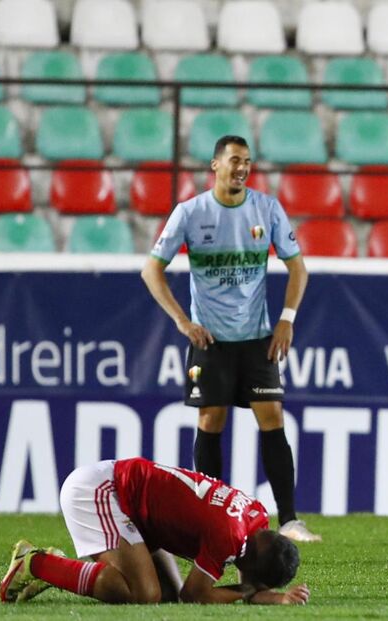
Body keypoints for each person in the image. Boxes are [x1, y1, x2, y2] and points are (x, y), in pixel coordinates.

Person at [141, 135, 320, 543]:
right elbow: (151, 270)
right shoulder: (191, 212)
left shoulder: (266, 208)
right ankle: (212, 520)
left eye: (247, 162)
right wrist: (183, 322)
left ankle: (289, 520)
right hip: (211, 340)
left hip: (257, 337)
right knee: (211, 420)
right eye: (235, 160)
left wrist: (286, 319)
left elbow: (298, 268)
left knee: (272, 416)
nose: (242, 168)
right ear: (215, 165)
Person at [0, 457, 310, 605]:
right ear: (252, 567)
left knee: (167, 596)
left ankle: (51, 565)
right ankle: (38, 563)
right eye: (255, 578)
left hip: (130, 501)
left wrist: (267, 595)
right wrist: (250, 591)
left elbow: (238, 578)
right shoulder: (229, 535)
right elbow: (195, 595)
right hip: (101, 491)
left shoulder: (256, 517)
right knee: (144, 594)